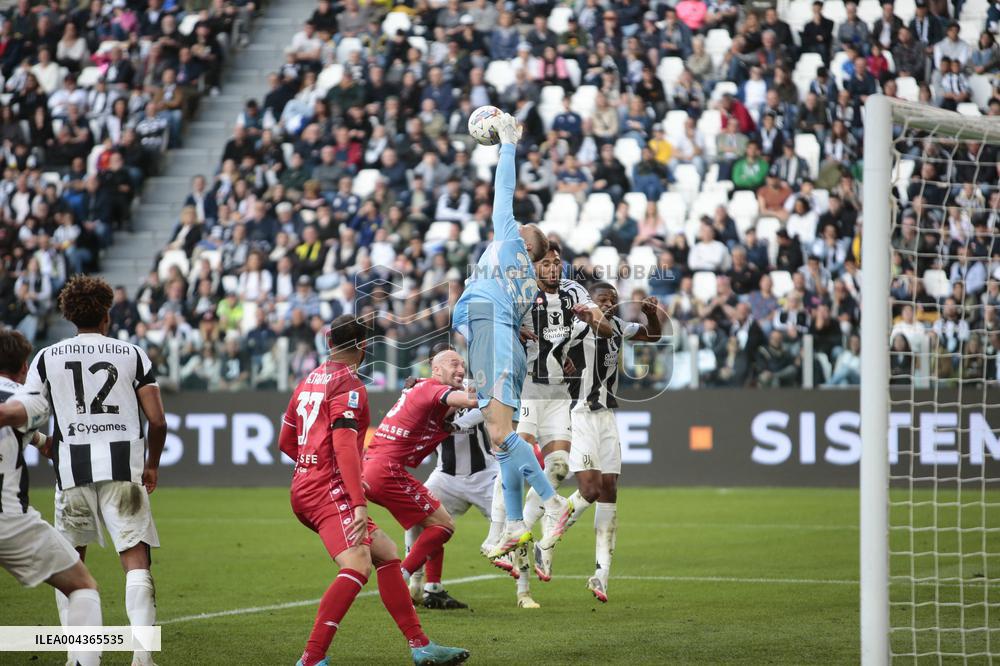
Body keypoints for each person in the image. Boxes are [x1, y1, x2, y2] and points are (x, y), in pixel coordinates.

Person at [277, 315, 469, 666]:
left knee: (386, 552)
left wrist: (311, 465)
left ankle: (420, 645)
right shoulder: (349, 385)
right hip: (328, 490)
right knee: (357, 563)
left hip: (306, 484)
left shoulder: (308, 382)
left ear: (329, 342)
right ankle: (311, 658)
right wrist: (357, 501)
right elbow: (346, 447)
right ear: (363, 347)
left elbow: (286, 441)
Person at [0, 276, 166, 666]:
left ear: (69, 315)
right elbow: (157, 422)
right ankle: (142, 657)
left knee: (70, 564)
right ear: (107, 313)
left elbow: (27, 411)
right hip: (124, 470)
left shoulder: (45, 357)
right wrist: (152, 464)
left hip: (71, 469)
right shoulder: (133, 354)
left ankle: (80, 656)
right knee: (135, 560)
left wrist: (44, 444)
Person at [451, 113, 573, 559]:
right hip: (502, 339)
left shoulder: (509, 240)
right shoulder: (526, 282)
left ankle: (555, 504)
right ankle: (517, 524)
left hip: (493, 334)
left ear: (526, 244)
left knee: (502, 435)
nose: (519, 224)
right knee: (501, 440)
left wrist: (508, 143)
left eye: (526, 229)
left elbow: (504, 189)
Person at [0, 330, 103, 666]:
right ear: (24, 366)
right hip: (9, 521)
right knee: (82, 584)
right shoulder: (29, 397)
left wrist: (43, 443)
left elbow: (30, 433)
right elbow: (20, 416)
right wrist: (45, 443)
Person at [559, 285, 662, 603]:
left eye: (613, 300)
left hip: (607, 415)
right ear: (591, 302)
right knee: (590, 488)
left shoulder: (618, 327)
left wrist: (651, 315)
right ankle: (554, 523)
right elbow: (552, 349)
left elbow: (653, 337)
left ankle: (601, 576)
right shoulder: (578, 325)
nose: (609, 304)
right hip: (579, 413)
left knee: (609, 490)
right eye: (603, 299)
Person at [517, 240, 611, 582]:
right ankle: (514, 531)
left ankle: (541, 537)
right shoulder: (525, 295)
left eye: (558, 262)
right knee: (527, 460)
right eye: (603, 301)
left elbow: (619, 331)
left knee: (585, 483)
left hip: (584, 405)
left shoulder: (577, 304)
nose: (606, 306)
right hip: (543, 394)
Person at [363, 350, 480, 598]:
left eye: (462, 364)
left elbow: (447, 409)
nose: (460, 369)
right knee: (444, 526)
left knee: (432, 524)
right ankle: (401, 578)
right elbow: (472, 401)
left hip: (373, 469)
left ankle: (429, 587)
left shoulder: (422, 390)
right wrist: (499, 386)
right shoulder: (433, 389)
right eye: (453, 364)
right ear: (435, 369)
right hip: (387, 471)